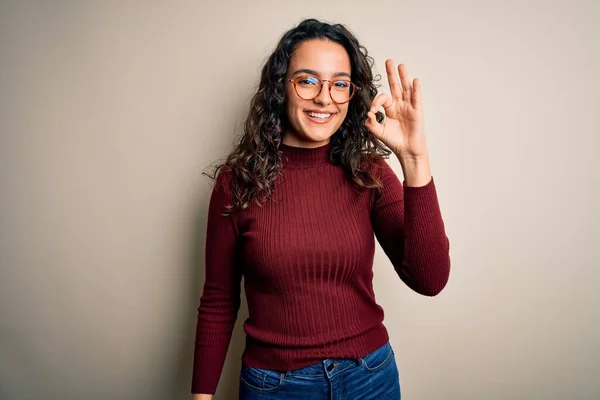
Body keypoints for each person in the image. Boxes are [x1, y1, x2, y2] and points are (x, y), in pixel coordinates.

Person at [191, 18, 450, 400]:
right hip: (275, 387)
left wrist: (414, 157)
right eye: (308, 80)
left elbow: (429, 280)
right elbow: (218, 300)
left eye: (339, 84)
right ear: (282, 87)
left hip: (370, 378)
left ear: (352, 93)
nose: (325, 98)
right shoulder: (238, 182)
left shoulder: (369, 173)